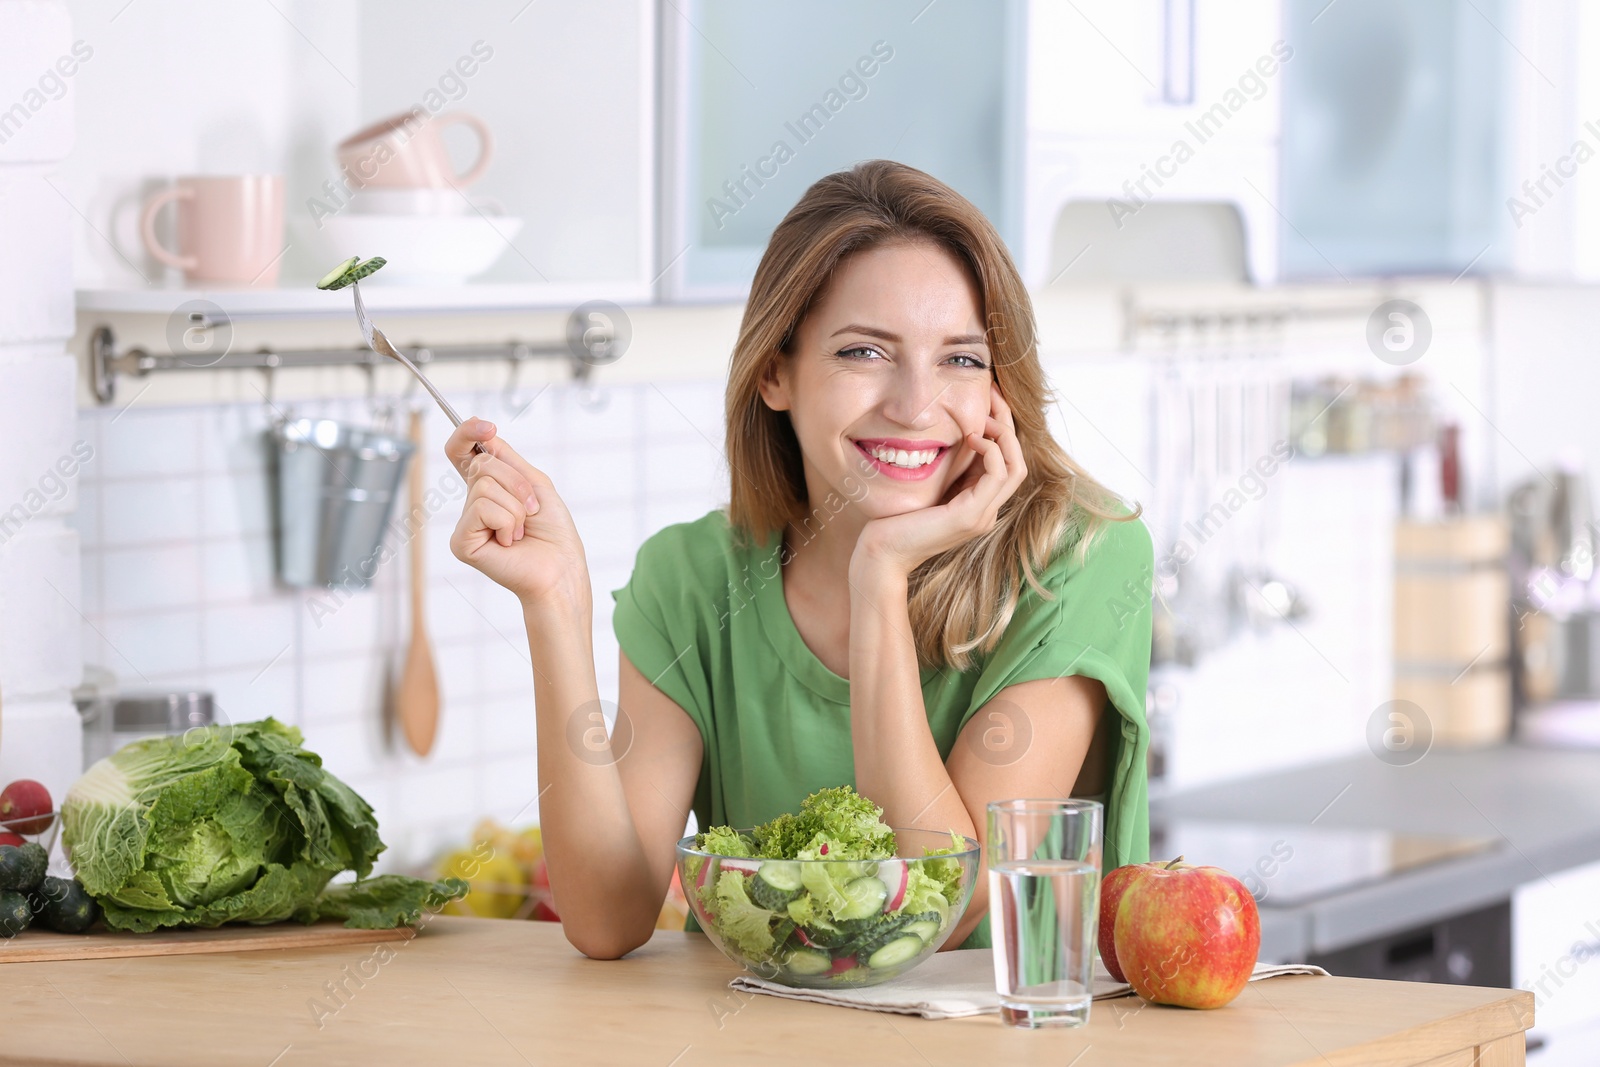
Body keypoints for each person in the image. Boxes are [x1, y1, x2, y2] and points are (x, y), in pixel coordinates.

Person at [445, 160, 1153, 959]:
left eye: (961, 358)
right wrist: (556, 602)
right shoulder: (692, 580)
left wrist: (880, 574)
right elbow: (609, 918)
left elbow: (947, 903)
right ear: (776, 371)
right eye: (864, 352)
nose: (917, 405)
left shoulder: (1082, 556)